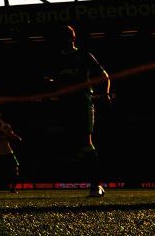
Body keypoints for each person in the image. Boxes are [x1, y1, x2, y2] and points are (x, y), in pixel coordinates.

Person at [43, 25, 112, 198]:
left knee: (86, 141)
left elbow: (104, 76)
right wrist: (50, 84)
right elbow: (52, 80)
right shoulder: (57, 59)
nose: (64, 40)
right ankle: (94, 178)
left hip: (82, 103)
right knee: (79, 147)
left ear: (73, 38)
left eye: (67, 36)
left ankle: (96, 185)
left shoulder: (83, 55)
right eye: (61, 36)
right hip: (65, 105)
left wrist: (105, 94)